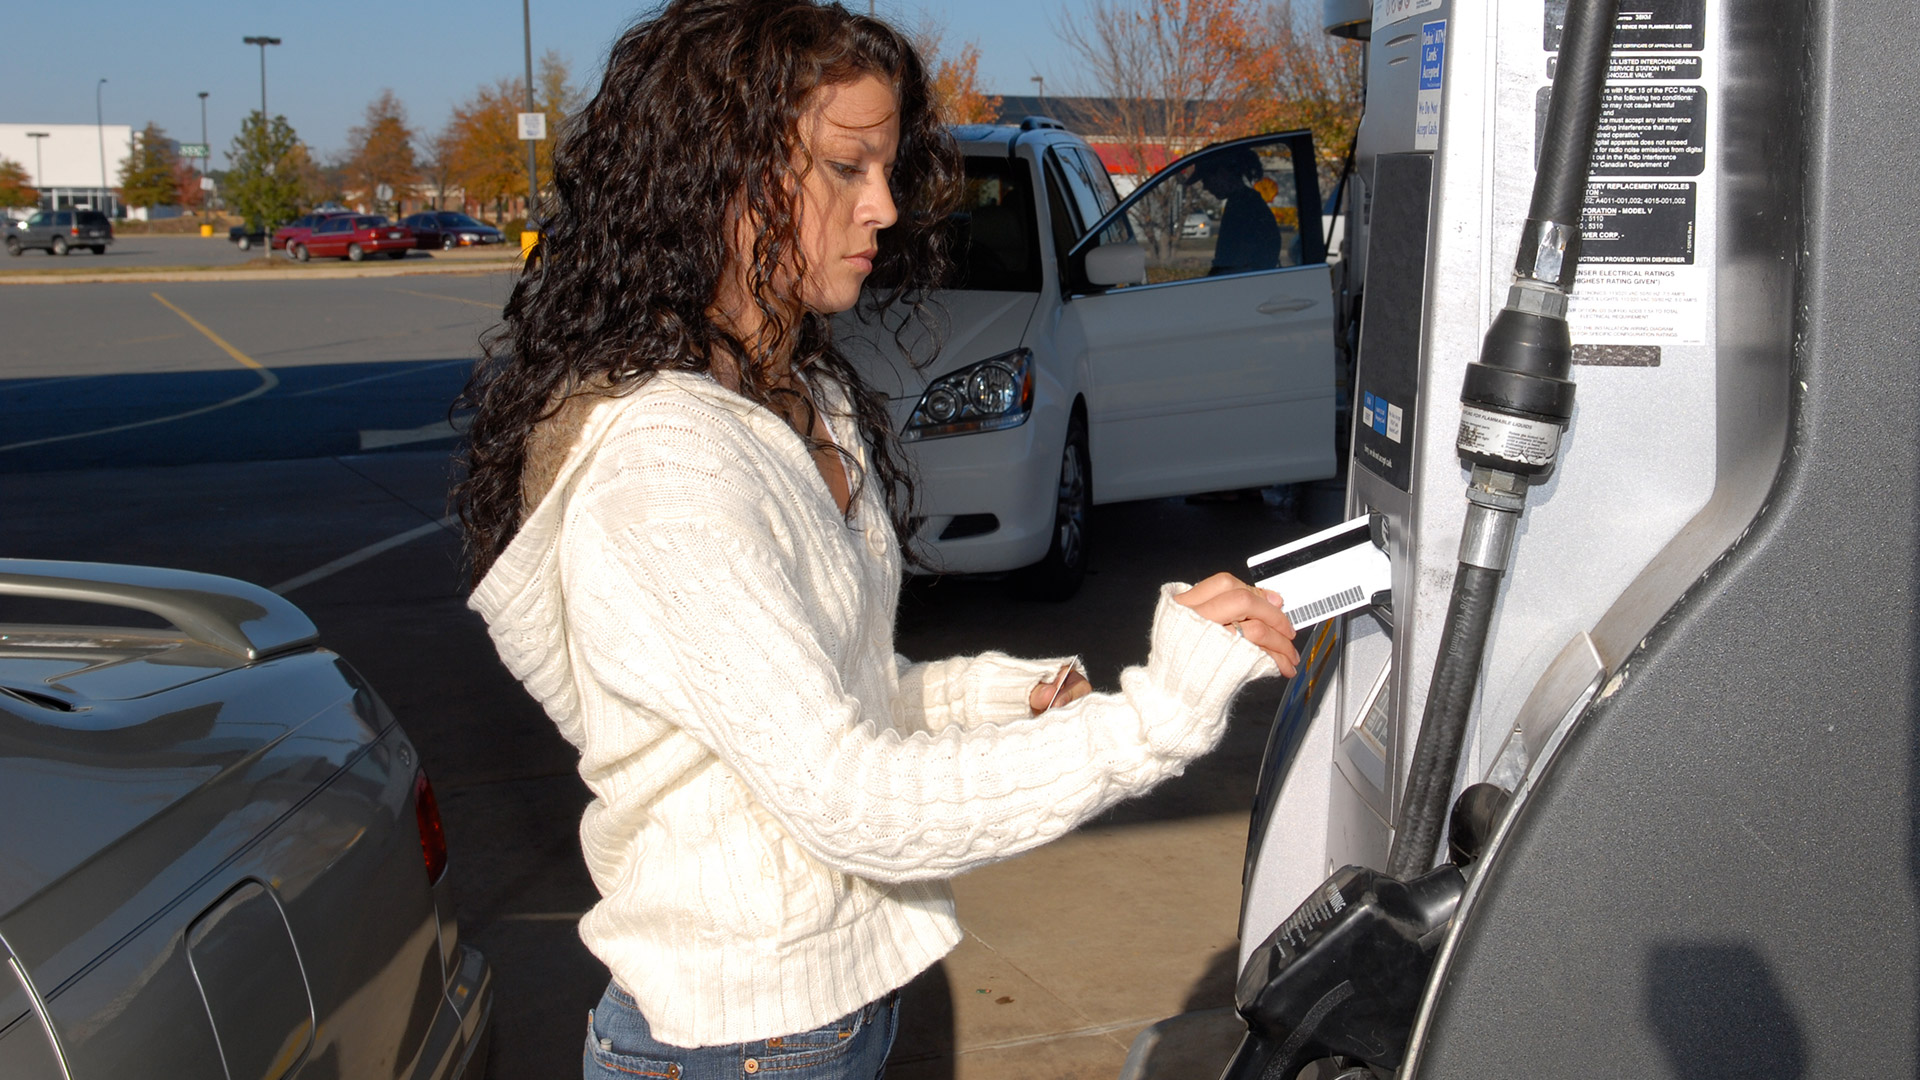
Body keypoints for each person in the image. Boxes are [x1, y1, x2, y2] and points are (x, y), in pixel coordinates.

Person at [455, 2, 1299, 1077]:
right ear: (721, 177)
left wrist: (991, 698)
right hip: (734, 1046)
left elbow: (834, 691)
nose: (885, 208)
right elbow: (848, 798)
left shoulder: (801, 397)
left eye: (889, 168)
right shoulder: (665, 466)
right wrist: (1156, 721)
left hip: (830, 1019)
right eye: (848, 167)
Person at [1191, 146, 1283, 275]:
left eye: (1206, 179)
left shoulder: (1245, 207)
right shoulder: (1242, 202)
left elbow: (1236, 264)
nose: (1205, 187)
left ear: (1222, 173)